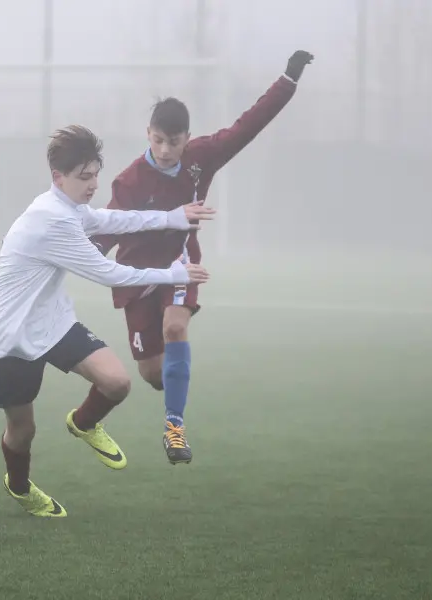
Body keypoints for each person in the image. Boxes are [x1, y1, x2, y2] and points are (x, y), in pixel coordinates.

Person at [0, 125, 214, 518]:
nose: (93, 185)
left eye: (95, 175)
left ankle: (83, 423)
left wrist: (173, 216)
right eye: (84, 178)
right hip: (9, 339)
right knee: (24, 431)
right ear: (58, 178)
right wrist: (173, 275)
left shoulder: (67, 208)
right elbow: (110, 274)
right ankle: (19, 487)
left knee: (117, 383)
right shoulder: (52, 220)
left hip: (51, 324)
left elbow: (111, 220)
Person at [90, 50, 314, 465]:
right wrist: (85, 255)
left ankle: (174, 430)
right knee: (153, 375)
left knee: (176, 328)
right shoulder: (129, 180)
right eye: (157, 140)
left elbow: (250, 125)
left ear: (187, 138)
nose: (165, 149)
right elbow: (108, 229)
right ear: (148, 133)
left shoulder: (201, 157)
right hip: (137, 275)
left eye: (173, 142)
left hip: (180, 264)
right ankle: (165, 389)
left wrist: (288, 78)